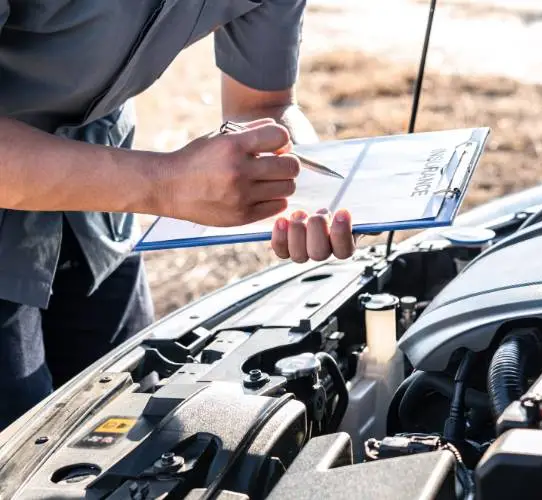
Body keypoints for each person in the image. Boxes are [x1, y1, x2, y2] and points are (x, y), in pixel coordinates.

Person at [0, 0, 356, 428]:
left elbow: (263, 108)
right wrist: (166, 183)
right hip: (96, 182)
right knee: (17, 448)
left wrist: (298, 178)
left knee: (125, 417)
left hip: (98, 205)